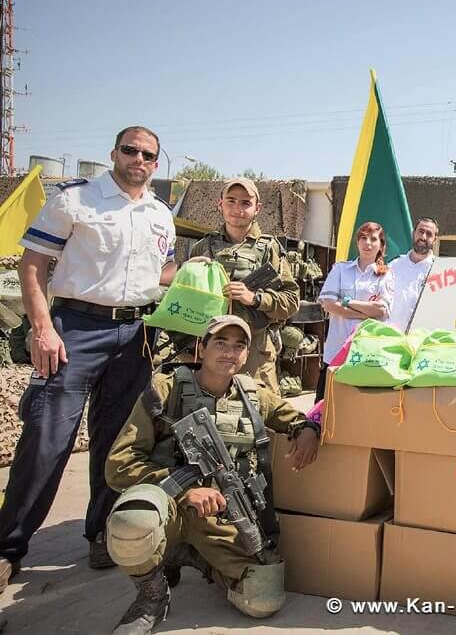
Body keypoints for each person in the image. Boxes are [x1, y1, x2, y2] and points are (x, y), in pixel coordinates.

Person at [0, 126, 176, 592]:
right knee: (47, 440)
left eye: (148, 154)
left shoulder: (161, 214)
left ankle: (100, 532)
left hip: (136, 332)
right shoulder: (74, 200)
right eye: (130, 150)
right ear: (113, 153)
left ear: (157, 164)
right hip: (75, 329)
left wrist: (200, 272)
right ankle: (8, 547)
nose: (138, 159)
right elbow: (32, 265)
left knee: (118, 442)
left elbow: (162, 271)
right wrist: (42, 329)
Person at [104, 315, 320, 634]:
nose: (230, 353)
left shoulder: (254, 395)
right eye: (220, 343)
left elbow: (295, 418)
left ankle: (193, 556)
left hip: (221, 517)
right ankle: (152, 595)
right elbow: (119, 463)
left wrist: (308, 429)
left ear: (247, 354)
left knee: (263, 600)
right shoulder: (167, 388)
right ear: (202, 347)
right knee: (133, 521)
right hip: (171, 505)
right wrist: (182, 491)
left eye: (239, 346)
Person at [188, 177, 300, 393]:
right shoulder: (203, 247)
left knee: (260, 416)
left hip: (255, 352)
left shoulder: (270, 249)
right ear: (220, 204)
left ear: (257, 208)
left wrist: (254, 298)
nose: (237, 209)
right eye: (231, 201)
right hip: (210, 350)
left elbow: (291, 300)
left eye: (245, 203)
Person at [314, 222, 395, 401]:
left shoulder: (385, 275)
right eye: (363, 238)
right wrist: (364, 313)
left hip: (367, 354)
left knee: (359, 408)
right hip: (337, 351)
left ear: (381, 245)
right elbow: (328, 304)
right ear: (357, 243)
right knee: (325, 407)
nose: (368, 243)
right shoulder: (340, 270)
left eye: (373, 239)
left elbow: (381, 309)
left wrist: (348, 302)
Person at [388, 217, 438, 331]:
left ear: (435, 240)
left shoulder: (438, 269)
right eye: (421, 231)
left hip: (423, 338)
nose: (423, 237)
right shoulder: (394, 266)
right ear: (413, 233)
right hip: (392, 335)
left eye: (429, 234)